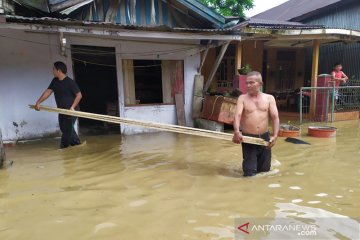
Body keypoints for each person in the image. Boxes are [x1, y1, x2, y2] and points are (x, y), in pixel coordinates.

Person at [232, 71, 280, 177]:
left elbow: (275, 117)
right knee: (249, 173)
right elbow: (237, 116)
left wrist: (275, 136)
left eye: (251, 83)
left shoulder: (269, 98)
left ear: (260, 84)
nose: (248, 85)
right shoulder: (242, 98)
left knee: (264, 172)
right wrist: (236, 131)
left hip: (264, 138)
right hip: (248, 138)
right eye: (247, 83)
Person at [35, 61, 82, 149]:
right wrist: (38, 102)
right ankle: (77, 145)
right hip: (61, 110)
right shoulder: (55, 81)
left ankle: (63, 148)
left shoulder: (70, 82)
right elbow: (48, 91)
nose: (52, 71)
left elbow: (79, 95)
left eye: (54, 69)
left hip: (71, 111)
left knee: (67, 130)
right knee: (64, 128)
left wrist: (72, 107)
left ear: (59, 71)